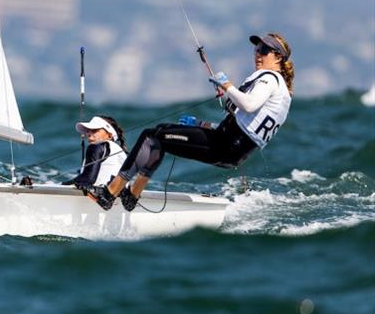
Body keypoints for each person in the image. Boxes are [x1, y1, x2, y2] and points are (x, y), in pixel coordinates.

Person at [95, 32, 294, 212]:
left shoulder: (270, 79)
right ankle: (132, 194)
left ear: (278, 57)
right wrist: (201, 124)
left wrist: (226, 85)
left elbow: (249, 105)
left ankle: (110, 193)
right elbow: (245, 124)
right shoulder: (281, 90)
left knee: (151, 136)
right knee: (160, 132)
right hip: (231, 146)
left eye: (265, 50)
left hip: (226, 144)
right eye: (257, 49)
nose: (258, 53)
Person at [63, 115, 128, 191]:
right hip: (122, 196)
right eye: (88, 131)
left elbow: (87, 180)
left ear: (110, 135)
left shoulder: (96, 147)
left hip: (100, 197)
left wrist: (63, 185)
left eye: (94, 130)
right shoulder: (121, 152)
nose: (89, 134)